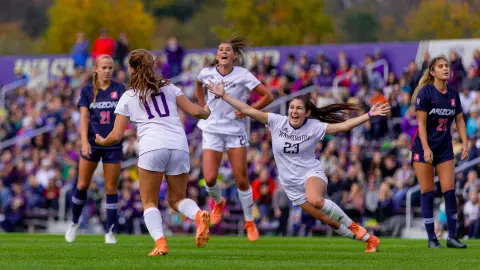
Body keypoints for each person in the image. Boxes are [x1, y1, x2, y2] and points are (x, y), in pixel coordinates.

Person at [207, 81, 386, 252]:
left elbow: (344, 126)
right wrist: (224, 96)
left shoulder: (314, 127)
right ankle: (369, 240)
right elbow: (247, 109)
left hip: (311, 174)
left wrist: (368, 115)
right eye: (292, 107)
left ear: (307, 113)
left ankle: (355, 227)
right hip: (290, 185)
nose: (294, 111)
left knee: (316, 200)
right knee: (330, 221)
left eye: (299, 108)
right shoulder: (277, 122)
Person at [95, 49, 211, 256]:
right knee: (177, 200)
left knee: (149, 202)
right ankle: (198, 214)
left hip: (152, 147)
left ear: (131, 69)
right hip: (179, 146)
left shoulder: (129, 96)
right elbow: (196, 112)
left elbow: (117, 135)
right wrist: (208, 109)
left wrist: (103, 141)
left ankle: (161, 243)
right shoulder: (169, 87)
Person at [195, 37, 274, 242]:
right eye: (220, 49)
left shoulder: (243, 75)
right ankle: (219, 202)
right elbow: (198, 84)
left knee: (241, 178)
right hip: (212, 128)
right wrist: (203, 105)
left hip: (234, 130)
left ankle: (249, 222)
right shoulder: (206, 73)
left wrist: (248, 111)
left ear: (234, 56)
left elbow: (268, 96)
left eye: (227, 50)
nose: (223, 52)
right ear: (216, 56)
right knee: (210, 178)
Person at [410, 56, 469, 249]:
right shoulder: (425, 93)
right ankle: (431, 238)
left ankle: (452, 237)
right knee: (427, 191)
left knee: (450, 191)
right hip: (423, 147)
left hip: (444, 148)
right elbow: (421, 124)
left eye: (447, 66)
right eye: (441, 66)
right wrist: (426, 149)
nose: (445, 68)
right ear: (432, 72)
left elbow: (460, 120)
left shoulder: (453, 94)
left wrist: (465, 143)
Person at [65, 54, 125, 244]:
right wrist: (84, 141)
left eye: (110, 68)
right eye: (104, 67)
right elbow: (84, 118)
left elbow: (125, 115)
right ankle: (74, 223)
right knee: (82, 184)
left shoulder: (120, 89)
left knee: (110, 187)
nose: (107, 71)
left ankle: (110, 232)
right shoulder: (87, 91)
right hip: (91, 142)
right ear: (96, 69)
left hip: (113, 144)